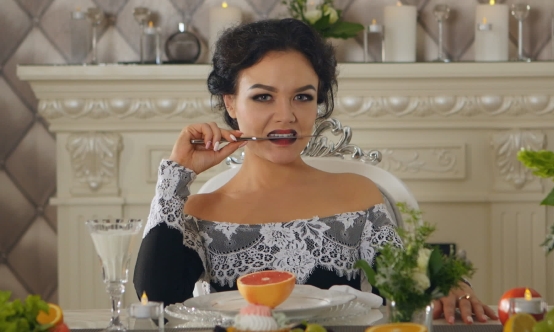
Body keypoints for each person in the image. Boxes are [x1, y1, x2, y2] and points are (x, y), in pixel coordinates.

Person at [133, 18, 497, 325]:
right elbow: (156, 300)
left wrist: (448, 285)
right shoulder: (201, 210)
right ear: (231, 103)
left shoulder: (358, 194)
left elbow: (406, 287)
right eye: (263, 96)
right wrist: (177, 174)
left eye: (303, 97)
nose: (286, 115)